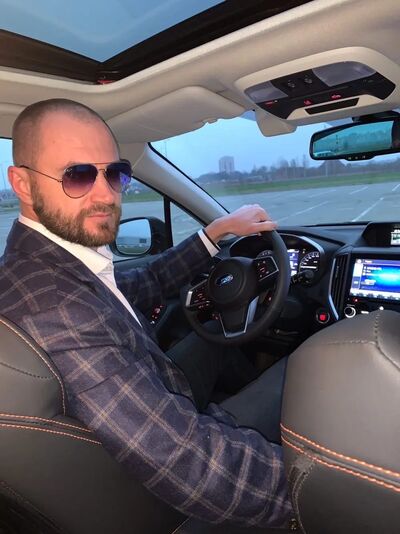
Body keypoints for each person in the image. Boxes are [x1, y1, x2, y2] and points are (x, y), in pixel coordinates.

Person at [0, 99, 293, 528]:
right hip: (170, 487)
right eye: (77, 175)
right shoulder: (56, 306)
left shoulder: (44, 266)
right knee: (296, 368)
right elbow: (185, 459)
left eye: (115, 173)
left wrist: (213, 234)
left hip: (153, 389)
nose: (106, 194)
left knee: (215, 335)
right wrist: (330, 494)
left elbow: (141, 285)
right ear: (23, 184)